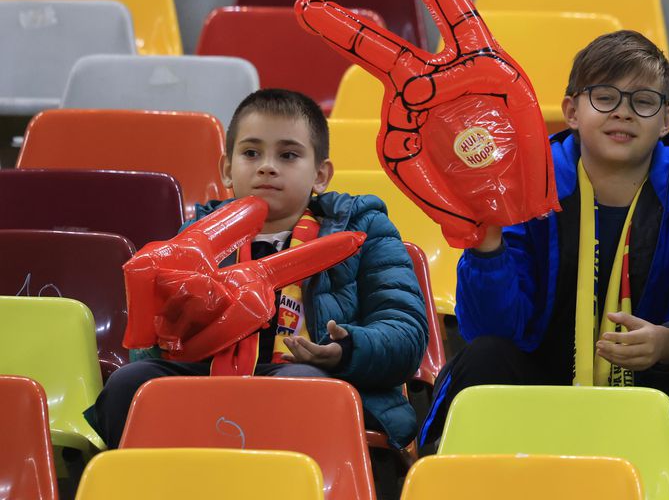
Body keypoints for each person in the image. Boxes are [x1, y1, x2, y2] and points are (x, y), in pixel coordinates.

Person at [88, 89, 429, 452]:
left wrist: (346, 350)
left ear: (320, 175)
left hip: (319, 375)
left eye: (288, 155)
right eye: (251, 153)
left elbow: (406, 334)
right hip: (208, 375)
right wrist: (174, 326)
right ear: (226, 170)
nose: (267, 166)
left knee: (300, 385)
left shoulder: (362, 229)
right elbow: (147, 347)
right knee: (131, 384)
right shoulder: (195, 235)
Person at [419, 31, 669, 448]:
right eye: (604, 97)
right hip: (539, 373)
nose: (623, 113)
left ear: (666, 119)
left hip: (646, 387)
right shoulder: (526, 183)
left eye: (643, 101)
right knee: (484, 357)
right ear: (572, 111)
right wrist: (487, 250)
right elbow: (492, 329)